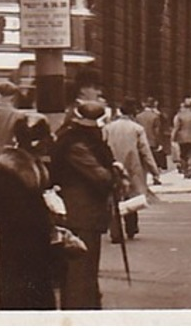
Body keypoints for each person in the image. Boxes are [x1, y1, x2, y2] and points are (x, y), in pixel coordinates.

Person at [51, 99, 118, 309]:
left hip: (80, 211)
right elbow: (101, 177)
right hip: (82, 213)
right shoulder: (78, 145)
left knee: (83, 272)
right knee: (80, 274)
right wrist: (114, 173)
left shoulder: (72, 139)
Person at [0, 115, 57, 310]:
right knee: (26, 290)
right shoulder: (13, 168)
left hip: (26, 237)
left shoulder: (22, 164)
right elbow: (13, 210)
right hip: (23, 238)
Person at [104, 100, 159, 242]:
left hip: (112, 166)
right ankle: (131, 228)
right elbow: (145, 151)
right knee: (131, 198)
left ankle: (115, 232)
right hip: (132, 168)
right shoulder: (137, 129)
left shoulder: (108, 128)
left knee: (114, 199)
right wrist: (154, 170)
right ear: (133, 113)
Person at [137, 98, 166, 179]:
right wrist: (159, 142)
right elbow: (157, 131)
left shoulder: (138, 116)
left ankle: (144, 177)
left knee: (142, 160)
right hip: (152, 141)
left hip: (141, 141)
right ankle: (156, 176)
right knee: (154, 160)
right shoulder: (155, 116)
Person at [171, 98, 191, 176]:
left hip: (182, 137)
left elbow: (176, 127)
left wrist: (173, 137)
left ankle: (185, 170)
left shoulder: (179, 116)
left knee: (183, 154)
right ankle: (190, 167)